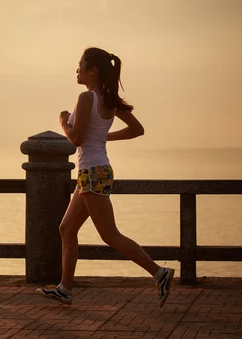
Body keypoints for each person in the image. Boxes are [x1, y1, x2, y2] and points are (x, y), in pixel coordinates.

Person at [35, 47, 175, 307]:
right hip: (95, 170)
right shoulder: (107, 99)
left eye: (80, 65)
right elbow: (137, 129)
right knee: (66, 228)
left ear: (93, 70)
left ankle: (160, 273)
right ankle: (65, 288)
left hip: (92, 171)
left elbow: (75, 138)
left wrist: (63, 122)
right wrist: (104, 136)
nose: (76, 70)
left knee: (110, 235)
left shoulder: (87, 97)